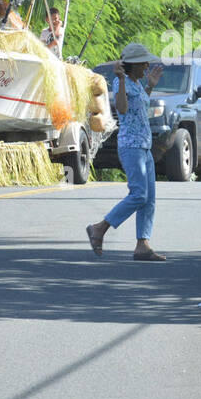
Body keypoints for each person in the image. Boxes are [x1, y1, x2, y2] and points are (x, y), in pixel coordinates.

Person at [85, 43, 166, 261]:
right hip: (131, 146)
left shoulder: (138, 84)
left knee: (148, 199)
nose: (147, 65)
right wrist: (120, 80)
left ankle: (143, 244)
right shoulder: (122, 82)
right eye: (143, 63)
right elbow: (121, 108)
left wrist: (149, 86)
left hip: (144, 146)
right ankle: (99, 228)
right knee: (139, 194)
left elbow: (140, 108)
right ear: (133, 65)